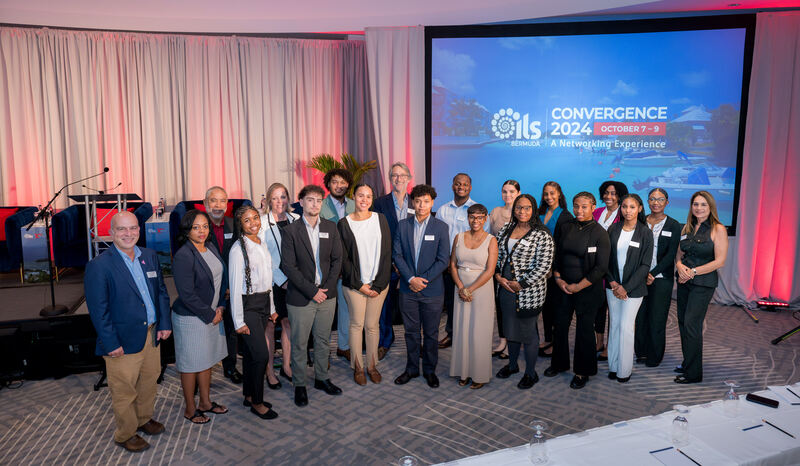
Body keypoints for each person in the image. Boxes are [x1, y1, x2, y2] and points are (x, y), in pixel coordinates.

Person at [84, 211, 171, 452]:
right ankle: (126, 433)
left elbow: (161, 292)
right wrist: (110, 343)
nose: (128, 233)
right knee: (124, 390)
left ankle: (143, 419)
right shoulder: (99, 266)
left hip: (151, 335)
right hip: (121, 340)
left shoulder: (149, 256)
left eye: (133, 228)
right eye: (122, 229)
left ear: (139, 230)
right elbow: (98, 310)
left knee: (149, 382)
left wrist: (164, 323)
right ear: (111, 232)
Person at [281, 184, 344, 406]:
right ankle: (299, 384)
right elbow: (288, 267)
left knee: (323, 340)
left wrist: (325, 289)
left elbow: (337, 260)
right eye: (310, 200)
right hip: (301, 297)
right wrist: (312, 291)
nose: (315, 204)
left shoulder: (331, 227)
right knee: (299, 343)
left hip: (327, 295)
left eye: (318, 200)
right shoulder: (290, 231)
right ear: (301, 202)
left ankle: (321, 378)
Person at [545, 192, 610, 390]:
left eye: (584, 206)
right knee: (560, 326)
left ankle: (583, 371)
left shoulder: (600, 233)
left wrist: (578, 286)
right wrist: (558, 279)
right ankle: (559, 363)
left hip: (587, 289)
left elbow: (601, 268)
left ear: (593, 208)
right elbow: (557, 255)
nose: (579, 210)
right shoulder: (566, 227)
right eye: (576, 206)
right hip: (563, 286)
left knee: (584, 330)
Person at [171, 210, 229, 424]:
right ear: (187, 230)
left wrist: (221, 306)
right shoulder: (183, 255)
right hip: (191, 318)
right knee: (190, 364)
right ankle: (190, 408)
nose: (201, 231)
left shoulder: (210, 246)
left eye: (205, 226)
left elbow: (221, 279)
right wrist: (210, 314)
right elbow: (187, 294)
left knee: (206, 360)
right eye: (196, 227)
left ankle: (205, 402)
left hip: (213, 313)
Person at [393, 184, 451, 389]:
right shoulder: (403, 225)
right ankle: (411, 369)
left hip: (432, 290)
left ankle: (429, 370)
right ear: (413, 202)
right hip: (408, 289)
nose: (421, 205)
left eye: (426, 201)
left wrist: (422, 280)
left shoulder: (441, 227)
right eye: (418, 201)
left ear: (432, 202)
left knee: (431, 333)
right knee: (410, 332)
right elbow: (397, 255)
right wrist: (411, 279)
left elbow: (443, 260)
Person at [494, 195, 554, 389]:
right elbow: (497, 255)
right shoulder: (506, 229)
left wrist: (521, 284)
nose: (522, 212)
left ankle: (530, 373)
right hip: (505, 289)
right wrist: (498, 276)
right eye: (519, 208)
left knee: (528, 333)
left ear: (533, 210)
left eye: (527, 208)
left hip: (529, 292)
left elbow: (544, 266)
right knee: (510, 329)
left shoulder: (542, 234)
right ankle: (512, 366)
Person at [338, 184, 392, 385]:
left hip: (378, 284)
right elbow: (344, 259)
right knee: (356, 325)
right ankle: (358, 367)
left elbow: (387, 253)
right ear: (354, 197)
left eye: (369, 196)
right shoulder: (344, 223)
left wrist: (378, 285)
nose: (364, 200)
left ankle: (371, 365)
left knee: (372, 326)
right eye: (361, 195)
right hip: (355, 285)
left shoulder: (381, 219)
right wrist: (360, 285)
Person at [229, 206, 279, 420]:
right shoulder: (237, 250)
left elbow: (268, 279)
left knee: (250, 355)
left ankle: (249, 395)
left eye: (255, 218)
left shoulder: (261, 243)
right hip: (247, 306)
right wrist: (238, 321)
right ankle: (257, 403)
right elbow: (235, 287)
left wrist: (272, 308)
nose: (253, 223)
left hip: (263, 303)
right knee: (261, 355)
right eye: (247, 220)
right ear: (240, 225)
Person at [674, 191, 728, 384]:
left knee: (692, 324)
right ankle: (688, 362)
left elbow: (720, 261)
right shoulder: (687, 227)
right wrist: (679, 266)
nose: (699, 208)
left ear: (710, 207)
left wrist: (693, 272)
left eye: (703, 204)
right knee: (683, 323)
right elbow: (679, 254)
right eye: (695, 204)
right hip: (684, 282)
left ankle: (694, 374)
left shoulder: (718, 229)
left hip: (703, 284)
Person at [449, 204, 498, 389]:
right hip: (460, 288)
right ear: (468, 218)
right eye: (472, 217)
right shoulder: (459, 237)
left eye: (479, 217)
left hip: (481, 289)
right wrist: (461, 287)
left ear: (485, 219)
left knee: (479, 332)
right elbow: (453, 265)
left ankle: (479, 374)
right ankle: (463, 371)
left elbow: (490, 270)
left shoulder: (491, 240)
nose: (475, 221)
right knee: (461, 330)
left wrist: (470, 289)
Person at [604, 194, 653, 383]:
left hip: (634, 289)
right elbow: (605, 260)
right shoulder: (613, 229)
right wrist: (613, 283)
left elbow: (645, 265)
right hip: (613, 287)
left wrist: (626, 287)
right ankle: (613, 366)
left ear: (639, 208)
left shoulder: (645, 232)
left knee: (626, 327)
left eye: (632, 207)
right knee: (614, 325)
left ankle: (624, 371)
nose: (628, 211)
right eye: (624, 206)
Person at [437, 173, 488, 349]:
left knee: (470, 300)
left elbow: (485, 238)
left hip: (470, 265)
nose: (461, 187)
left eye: (465, 184)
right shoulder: (443, 210)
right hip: (447, 264)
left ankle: (470, 335)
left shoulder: (477, 211)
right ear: (453, 186)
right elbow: (438, 237)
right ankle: (452, 334)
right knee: (451, 302)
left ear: (470, 187)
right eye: (458, 184)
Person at [258, 182, 300, 389]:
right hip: (271, 281)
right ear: (268, 201)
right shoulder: (261, 223)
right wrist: (282, 280)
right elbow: (263, 256)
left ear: (288, 199)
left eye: (283, 197)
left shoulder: (296, 219)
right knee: (269, 325)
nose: (279, 202)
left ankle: (286, 366)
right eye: (274, 198)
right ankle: (269, 371)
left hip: (294, 280)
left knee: (288, 323)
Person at [634, 188, 682, 367]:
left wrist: (652, 273)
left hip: (661, 278)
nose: (656, 202)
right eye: (652, 199)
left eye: (660, 199)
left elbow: (671, 255)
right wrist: (642, 273)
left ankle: (654, 355)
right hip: (639, 277)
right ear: (647, 201)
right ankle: (641, 352)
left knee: (657, 318)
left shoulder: (674, 225)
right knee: (640, 317)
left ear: (667, 202)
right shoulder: (640, 221)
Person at [372, 162, 415, 360]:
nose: (398, 179)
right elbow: (375, 234)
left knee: (411, 305)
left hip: (411, 264)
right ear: (390, 179)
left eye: (402, 175)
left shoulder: (416, 202)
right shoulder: (380, 203)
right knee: (385, 304)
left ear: (409, 178)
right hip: (387, 263)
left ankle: (414, 342)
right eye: (394, 175)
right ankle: (385, 341)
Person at [203, 186, 242, 385]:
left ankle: (230, 366)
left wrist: (230, 287)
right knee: (207, 331)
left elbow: (238, 258)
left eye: (222, 201)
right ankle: (202, 372)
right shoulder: (199, 227)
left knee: (230, 330)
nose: (218, 205)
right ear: (205, 204)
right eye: (213, 200)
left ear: (227, 204)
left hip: (229, 288)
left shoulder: (234, 225)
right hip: (207, 290)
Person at [319, 168, 355, 362]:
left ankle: (344, 346)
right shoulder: (320, 205)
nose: (339, 185)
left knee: (346, 309)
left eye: (343, 182)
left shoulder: (355, 205)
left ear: (348, 184)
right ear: (328, 184)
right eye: (335, 182)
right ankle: (323, 352)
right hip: (326, 267)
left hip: (349, 266)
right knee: (325, 313)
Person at [592, 180, 629, 362]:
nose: (609, 196)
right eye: (606, 192)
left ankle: (610, 345)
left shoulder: (624, 215)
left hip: (613, 268)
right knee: (598, 308)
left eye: (613, 193)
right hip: (595, 267)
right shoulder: (596, 212)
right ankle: (599, 342)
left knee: (613, 310)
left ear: (620, 195)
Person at [537, 181, 573, 357]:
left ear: (559, 194)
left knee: (557, 306)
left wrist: (553, 267)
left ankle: (556, 343)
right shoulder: (540, 212)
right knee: (546, 305)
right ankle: (548, 338)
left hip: (556, 268)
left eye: (552, 193)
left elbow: (564, 246)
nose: (549, 197)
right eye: (546, 194)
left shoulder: (565, 216)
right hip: (540, 267)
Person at [488, 180, 520, 359]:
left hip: (516, 267)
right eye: (504, 191)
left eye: (511, 191)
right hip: (497, 265)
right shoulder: (495, 212)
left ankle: (513, 342)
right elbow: (489, 237)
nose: (508, 195)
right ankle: (502, 341)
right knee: (500, 304)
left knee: (513, 306)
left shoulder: (522, 212)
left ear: (518, 193)